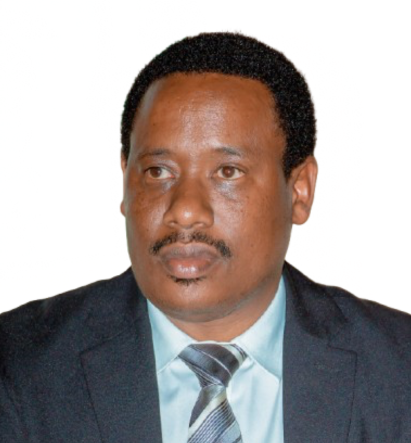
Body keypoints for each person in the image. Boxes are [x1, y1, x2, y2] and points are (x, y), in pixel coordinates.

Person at [1, 32, 410, 443]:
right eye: (158, 172)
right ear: (125, 181)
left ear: (299, 190)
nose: (184, 210)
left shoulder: (398, 371)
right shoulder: (17, 366)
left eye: (227, 172)